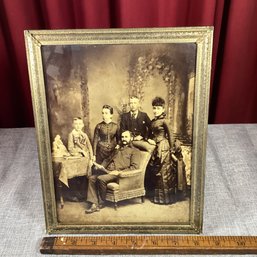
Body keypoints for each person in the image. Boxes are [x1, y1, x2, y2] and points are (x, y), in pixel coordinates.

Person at [86, 130, 141, 213]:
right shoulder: (117, 149)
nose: (123, 139)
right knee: (91, 178)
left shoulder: (135, 151)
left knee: (101, 178)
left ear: (131, 138)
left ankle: (100, 202)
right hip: (108, 171)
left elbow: (134, 167)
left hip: (118, 174)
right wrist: (101, 166)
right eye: (122, 137)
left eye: (126, 137)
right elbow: (107, 159)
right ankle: (94, 203)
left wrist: (119, 173)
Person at [147, 97, 177, 204]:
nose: (156, 110)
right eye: (154, 108)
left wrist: (172, 150)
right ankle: (158, 198)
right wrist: (150, 140)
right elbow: (150, 135)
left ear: (163, 109)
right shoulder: (152, 121)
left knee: (164, 171)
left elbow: (171, 136)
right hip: (155, 147)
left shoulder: (165, 121)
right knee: (156, 171)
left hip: (164, 147)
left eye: (158, 108)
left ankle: (167, 199)